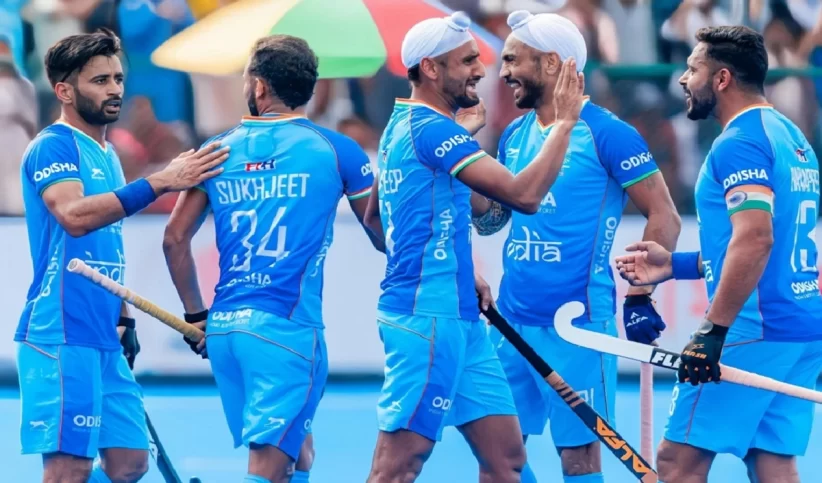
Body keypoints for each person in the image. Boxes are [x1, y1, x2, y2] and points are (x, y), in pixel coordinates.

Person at [363, 11, 585, 483]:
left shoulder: (401, 124)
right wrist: (564, 125)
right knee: (397, 466)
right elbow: (524, 196)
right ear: (430, 68)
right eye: (466, 61)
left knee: (506, 462)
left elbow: (375, 219)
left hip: (457, 318)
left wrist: (456, 268)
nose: (482, 70)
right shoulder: (434, 130)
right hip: (429, 320)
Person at [470, 11, 681, 483]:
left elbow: (665, 215)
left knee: (580, 462)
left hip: (578, 329)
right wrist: (462, 166)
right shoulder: (515, 134)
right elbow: (494, 220)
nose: (502, 72)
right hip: (511, 324)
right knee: (498, 460)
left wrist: (640, 294)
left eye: (513, 59)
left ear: (551, 63)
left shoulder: (608, 133)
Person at [162, 35, 383, 483]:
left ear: (259, 86)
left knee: (299, 450)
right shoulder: (338, 150)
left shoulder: (216, 150)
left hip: (226, 330)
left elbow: (174, 239)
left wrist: (197, 315)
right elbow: (383, 237)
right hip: (286, 331)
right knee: (268, 466)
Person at [15, 29, 229, 483]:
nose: (114, 89)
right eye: (99, 81)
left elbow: (104, 249)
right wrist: (161, 181)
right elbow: (74, 216)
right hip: (61, 333)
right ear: (64, 91)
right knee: (68, 469)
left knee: (130, 462)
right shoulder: (54, 146)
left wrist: (124, 316)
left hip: (103, 333)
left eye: (117, 78)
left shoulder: (108, 154)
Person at [615, 25, 822, 483]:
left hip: (754, 330)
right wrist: (675, 265)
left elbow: (756, 239)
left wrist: (713, 331)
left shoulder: (739, 143)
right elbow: (761, 244)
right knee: (772, 463)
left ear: (722, 78)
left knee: (677, 463)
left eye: (693, 69)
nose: (683, 79)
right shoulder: (792, 136)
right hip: (802, 328)